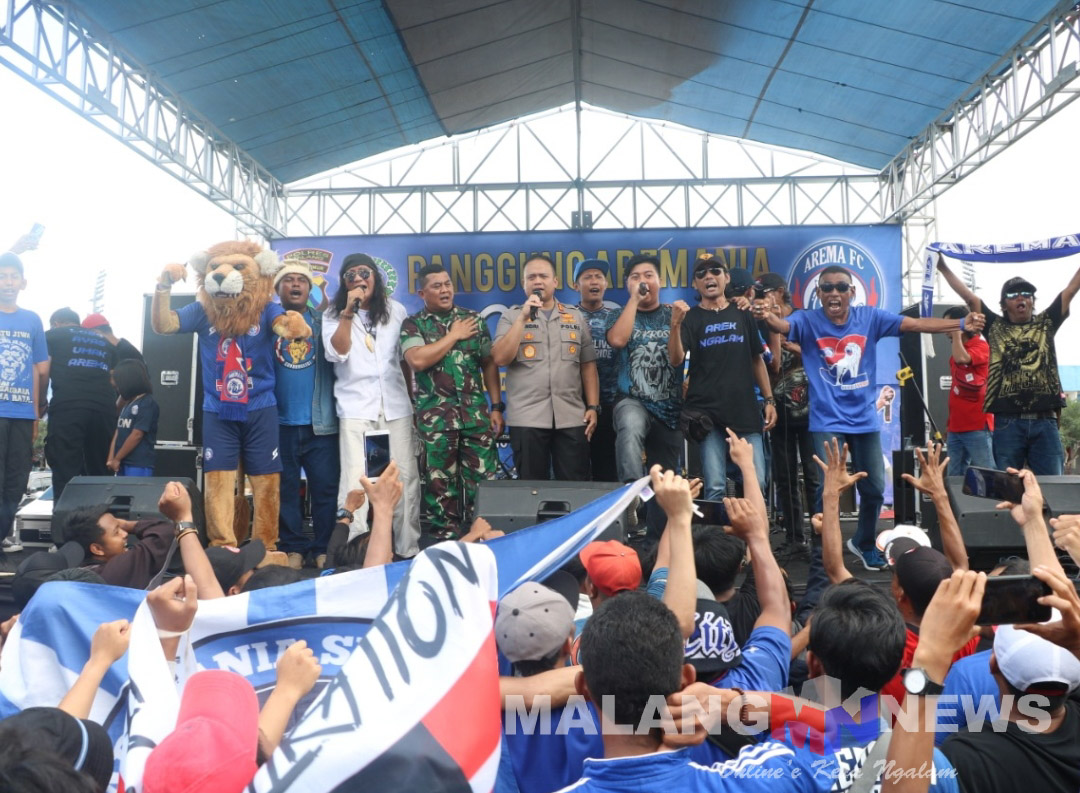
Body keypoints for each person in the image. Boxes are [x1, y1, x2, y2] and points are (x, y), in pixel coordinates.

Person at [758, 265, 983, 570]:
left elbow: (915, 324)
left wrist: (959, 322)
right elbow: (780, 326)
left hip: (863, 419)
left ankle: (863, 542)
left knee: (875, 488)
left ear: (851, 292)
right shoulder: (807, 320)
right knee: (828, 490)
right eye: (827, 288)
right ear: (819, 294)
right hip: (826, 421)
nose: (834, 293)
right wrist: (766, 316)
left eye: (840, 287)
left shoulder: (871, 318)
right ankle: (825, 551)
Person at [936, 255, 1079, 474]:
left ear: (1032, 300)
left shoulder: (1047, 322)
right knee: (1007, 489)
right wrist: (942, 267)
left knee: (1051, 489)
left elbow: (1070, 289)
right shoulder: (994, 327)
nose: (1020, 297)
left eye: (1026, 294)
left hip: (1045, 421)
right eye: (1012, 294)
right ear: (1003, 304)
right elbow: (968, 296)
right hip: (1007, 423)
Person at [322, 253, 420, 558]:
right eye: (350, 275)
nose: (358, 279)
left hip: (395, 406)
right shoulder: (333, 314)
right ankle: (357, 553)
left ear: (375, 277)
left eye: (364, 273)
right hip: (356, 408)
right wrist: (348, 313)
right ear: (344, 283)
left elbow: (405, 360)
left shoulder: (396, 310)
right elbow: (337, 353)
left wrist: (412, 399)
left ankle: (407, 550)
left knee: (404, 479)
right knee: (356, 481)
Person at [400, 263, 501, 541]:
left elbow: (489, 364)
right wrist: (453, 335)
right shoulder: (413, 323)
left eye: (447, 284)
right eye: (437, 286)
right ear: (422, 293)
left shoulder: (473, 320)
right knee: (440, 489)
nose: (445, 290)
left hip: (475, 418)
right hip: (436, 421)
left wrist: (496, 406)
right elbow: (418, 360)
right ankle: (446, 545)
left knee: (484, 485)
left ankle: (484, 539)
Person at [670, 256, 776, 501]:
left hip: (745, 412)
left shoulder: (742, 312)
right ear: (695, 284)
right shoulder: (691, 318)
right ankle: (718, 540)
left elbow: (756, 359)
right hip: (707, 416)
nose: (709, 276)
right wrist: (675, 326)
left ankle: (751, 540)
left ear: (726, 278)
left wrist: (769, 400)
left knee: (757, 482)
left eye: (716, 271)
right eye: (701, 274)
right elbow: (675, 359)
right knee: (715, 487)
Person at [492, 254, 599, 481]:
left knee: (574, 486)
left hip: (571, 416)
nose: (538, 281)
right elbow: (500, 358)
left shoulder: (575, 316)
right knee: (531, 490)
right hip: (527, 418)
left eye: (543, 276)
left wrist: (593, 406)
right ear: (524, 284)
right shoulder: (510, 317)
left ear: (555, 282)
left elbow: (588, 366)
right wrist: (522, 318)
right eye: (531, 277)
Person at [271, 259, 339, 569]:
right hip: (277, 425)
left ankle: (323, 547)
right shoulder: (267, 325)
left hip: (320, 425)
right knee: (285, 491)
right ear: (277, 289)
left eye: (301, 280)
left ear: (309, 290)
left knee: (325, 489)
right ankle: (293, 548)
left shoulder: (324, 323)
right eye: (288, 280)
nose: (295, 284)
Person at [608, 255, 683, 514]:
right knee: (630, 426)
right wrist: (634, 301)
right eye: (635, 277)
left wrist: (674, 325)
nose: (643, 281)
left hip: (669, 408)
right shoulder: (618, 315)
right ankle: (632, 495)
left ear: (660, 281)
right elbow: (618, 340)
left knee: (666, 481)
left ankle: (657, 539)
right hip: (632, 399)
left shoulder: (674, 313)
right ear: (627, 284)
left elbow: (676, 359)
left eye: (648, 275)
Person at [755, 272, 817, 555]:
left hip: (811, 411)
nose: (762, 298)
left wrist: (800, 350)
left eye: (766, 292)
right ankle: (794, 538)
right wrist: (773, 332)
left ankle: (819, 536)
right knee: (785, 476)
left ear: (780, 291)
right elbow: (772, 366)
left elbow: (827, 356)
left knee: (815, 476)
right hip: (779, 411)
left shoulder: (804, 319)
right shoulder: (762, 324)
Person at [0, 251, 48, 554]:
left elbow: (39, 368)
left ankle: (3, 534)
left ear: (23, 282)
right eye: (2, 276)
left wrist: (34, 414)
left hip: (21, 413)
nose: (7, 282)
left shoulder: (32, 320)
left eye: (13, 276)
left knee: (16, 480)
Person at [44, 306, 117, 501]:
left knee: (65, 471)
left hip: (69, 406)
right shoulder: (103, 341)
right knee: (101, 473)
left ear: (56, 323)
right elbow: (115, 377)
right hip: (104, 408)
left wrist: (41, 403)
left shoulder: (52, 335)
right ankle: (101, 526)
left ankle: (64, 527)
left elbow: (43, 370)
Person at [572, 258, 619, 481]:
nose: (594, 281)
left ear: (606, 284)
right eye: (587, 277)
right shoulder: (568, 317)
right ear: (576, 285)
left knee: (607, 469)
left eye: (598, 277)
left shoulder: (616, 317)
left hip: (610, 404)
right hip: (575, 406)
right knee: (575, 469)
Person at [941, 304, 994, 474]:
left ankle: (994, 502)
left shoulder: (981, 346)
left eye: (950, 325)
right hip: (956, 428)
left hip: (977, 425)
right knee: (954, 476)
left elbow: (962, 358)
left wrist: (957, 331)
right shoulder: (955, 351)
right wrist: (949, 425)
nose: (946, 331)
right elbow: (955, 390)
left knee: (987, 473)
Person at [107, 358, 159, 476]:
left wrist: (117, 458)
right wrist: (112, 457)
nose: (118, 388)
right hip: (122, 462)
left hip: (138, 464)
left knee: (136, 493)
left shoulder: (146, 403)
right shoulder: (128, 404)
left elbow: (137, 435)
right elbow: (118, 431)